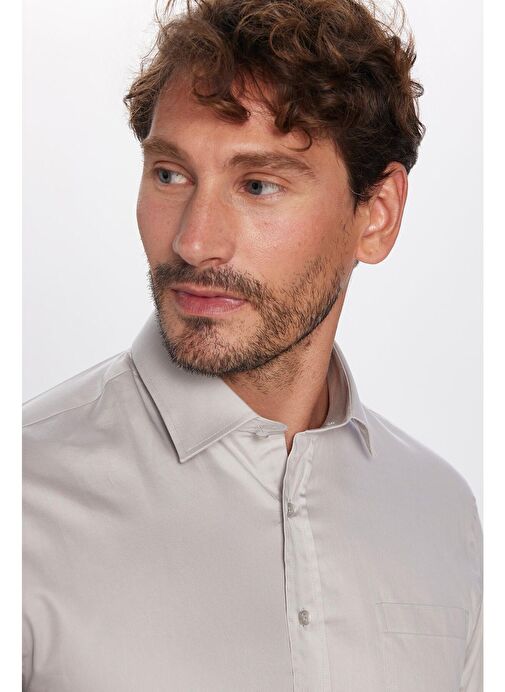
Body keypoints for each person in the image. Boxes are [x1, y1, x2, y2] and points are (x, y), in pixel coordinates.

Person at [22, 0, 482, 690]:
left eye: (258, 185)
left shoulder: (440, 513)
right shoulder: (25, 498)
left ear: (376, 215)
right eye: (170, 174)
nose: (193, 242)